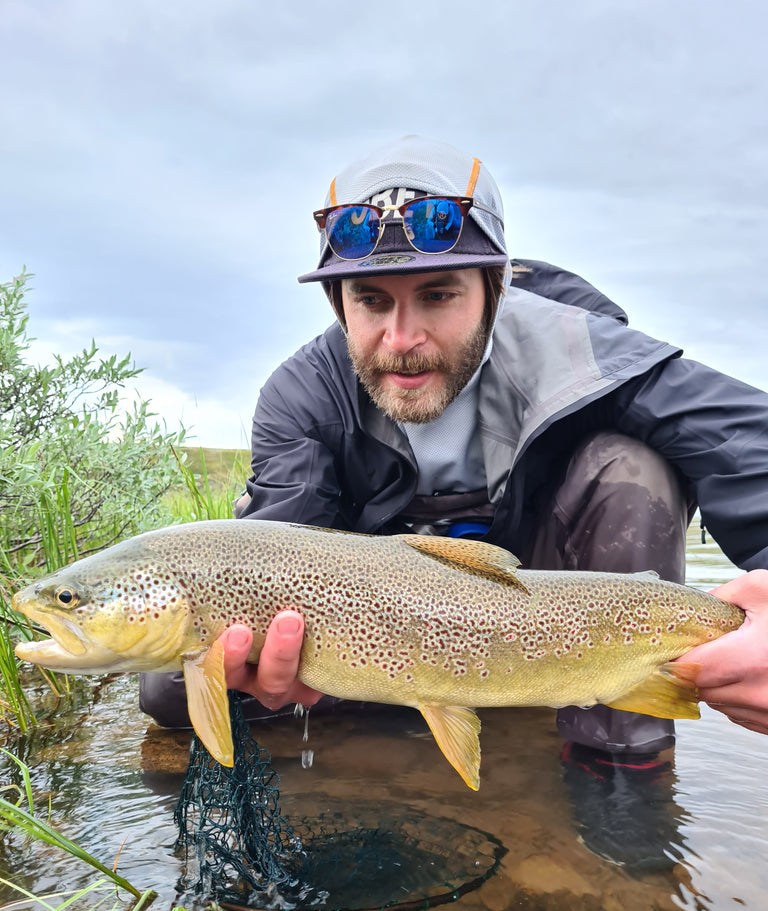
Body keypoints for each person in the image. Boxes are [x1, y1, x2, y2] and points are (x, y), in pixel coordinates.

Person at [141, 135, 768, 758]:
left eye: (438, 295)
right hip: (381, 621)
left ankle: (620, 771)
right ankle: (382, 731)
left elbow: (747, 444)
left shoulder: (581, 351)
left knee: (632, 466)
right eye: (371, 300)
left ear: (495, 287)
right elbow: (276, 554)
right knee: (174, 684)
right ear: (339, 302)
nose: (401, 337)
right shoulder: (302, 395)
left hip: (538, 609)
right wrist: (261, 647)